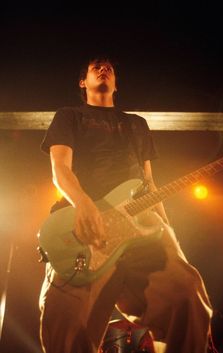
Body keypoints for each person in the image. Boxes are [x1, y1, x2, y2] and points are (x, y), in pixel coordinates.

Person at [38, 57, 213, 353]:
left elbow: (149, 184)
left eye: (109, 67)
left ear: (116, 84)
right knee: (66, 326)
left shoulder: (136, 124)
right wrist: (82, 203)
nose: (103, 67)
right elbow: (60, 168)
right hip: (85, 226)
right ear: (83, 82)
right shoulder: (69, 116)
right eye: (95, 66)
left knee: (187, 296)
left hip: (140, 228)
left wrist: (169, 234)